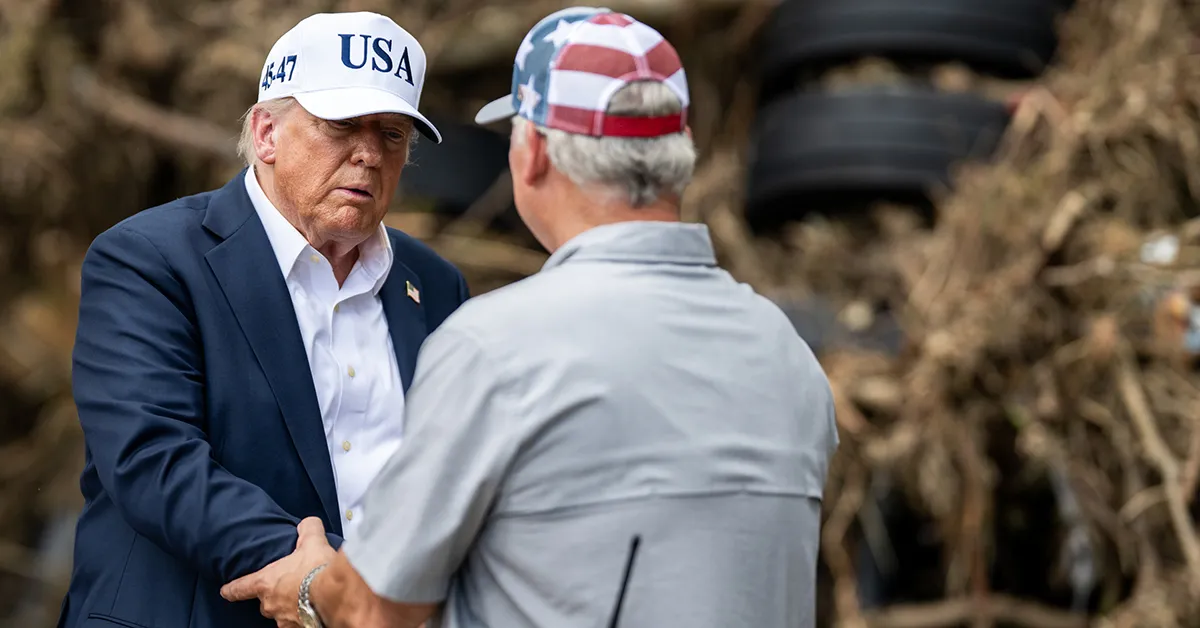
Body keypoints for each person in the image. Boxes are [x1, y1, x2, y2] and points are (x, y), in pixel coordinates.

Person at [221, 6, 839, 628]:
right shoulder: (787, 354)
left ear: (533, 153)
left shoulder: (497, 347)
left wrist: (309, 589)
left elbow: (374, 606)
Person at [58, 11, 469, 628]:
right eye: (341, 125)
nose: (368, 154)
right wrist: (332, 584)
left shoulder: (434, 284)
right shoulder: (148, 258)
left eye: (392, 134)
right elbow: (153, 458)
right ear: (267, 132)